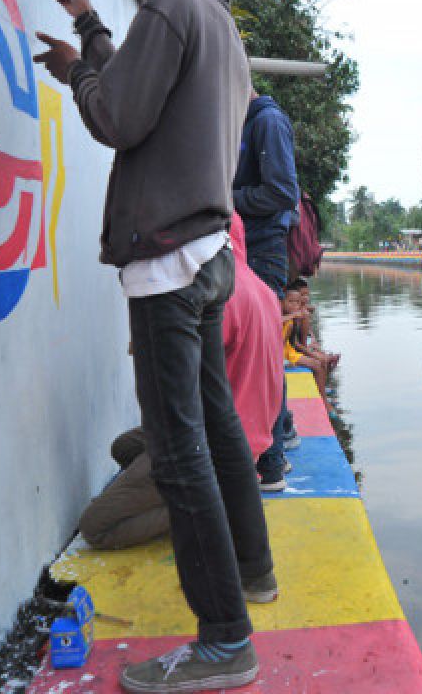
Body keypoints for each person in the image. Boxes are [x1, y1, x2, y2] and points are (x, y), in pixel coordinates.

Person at [32, 0, 270, 690]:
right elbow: (148, 97)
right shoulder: (220, 29)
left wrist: (79, 72)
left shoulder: (170, 6)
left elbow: (117, 115)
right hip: (208, 256)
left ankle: (224, 642)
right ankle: (254, 571)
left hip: (166, 262)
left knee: (177, 453)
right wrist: (97, 27)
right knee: (216, 426)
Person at [79, 215, 284, 551]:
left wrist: (147, 343)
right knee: (124, 448)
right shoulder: (263, 291)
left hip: (213, 444)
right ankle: (211, 493)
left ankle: (213, 506)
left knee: (95, 527)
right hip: (252, 441)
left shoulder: (216, 296)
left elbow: (171, 384)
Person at [234, 89, 301, 489]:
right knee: (267, 355)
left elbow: (281, 192)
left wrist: (221, 195)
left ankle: (270, 464)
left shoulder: (267, 122)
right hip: (251, 248)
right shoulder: (248, 122)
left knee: (260, 357)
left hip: (262, 250)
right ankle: (285, 431)